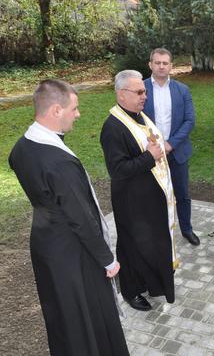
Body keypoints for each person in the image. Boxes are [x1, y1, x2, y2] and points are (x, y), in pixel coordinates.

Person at [8, 79, 129, 355]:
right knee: (86, 318)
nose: (78, 114)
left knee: (62, 316)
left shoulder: (22, 147)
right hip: (73, 253)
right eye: (74, 108)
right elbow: (80, 218)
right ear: (55, 111)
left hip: (44, 245)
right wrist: (107, 259)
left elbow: (18, 166)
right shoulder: (59, 163)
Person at [100, 70, 178, 311]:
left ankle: (150, 283)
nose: (145, 95)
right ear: (122, 95)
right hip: (131, 202)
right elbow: (117, 169)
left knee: (150, 244)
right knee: (132, 246)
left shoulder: (139, 116)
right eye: (139, 92)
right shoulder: (113, 127)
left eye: (144, 91)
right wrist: (150, 157)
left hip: (150, 199)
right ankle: (131, 291)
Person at [143, 48, 199, 246]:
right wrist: (154, 146)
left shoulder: (182, 90)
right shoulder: (141, 89)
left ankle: (187, 229)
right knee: (152, 196)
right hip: (149, 153)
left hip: (177, 152)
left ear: (171, 66)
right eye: (157, 62)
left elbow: (190, 120)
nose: (161, 66)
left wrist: (170, 144)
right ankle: (155, 232)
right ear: (150, 65)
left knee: (182, 194)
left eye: (165, 63)